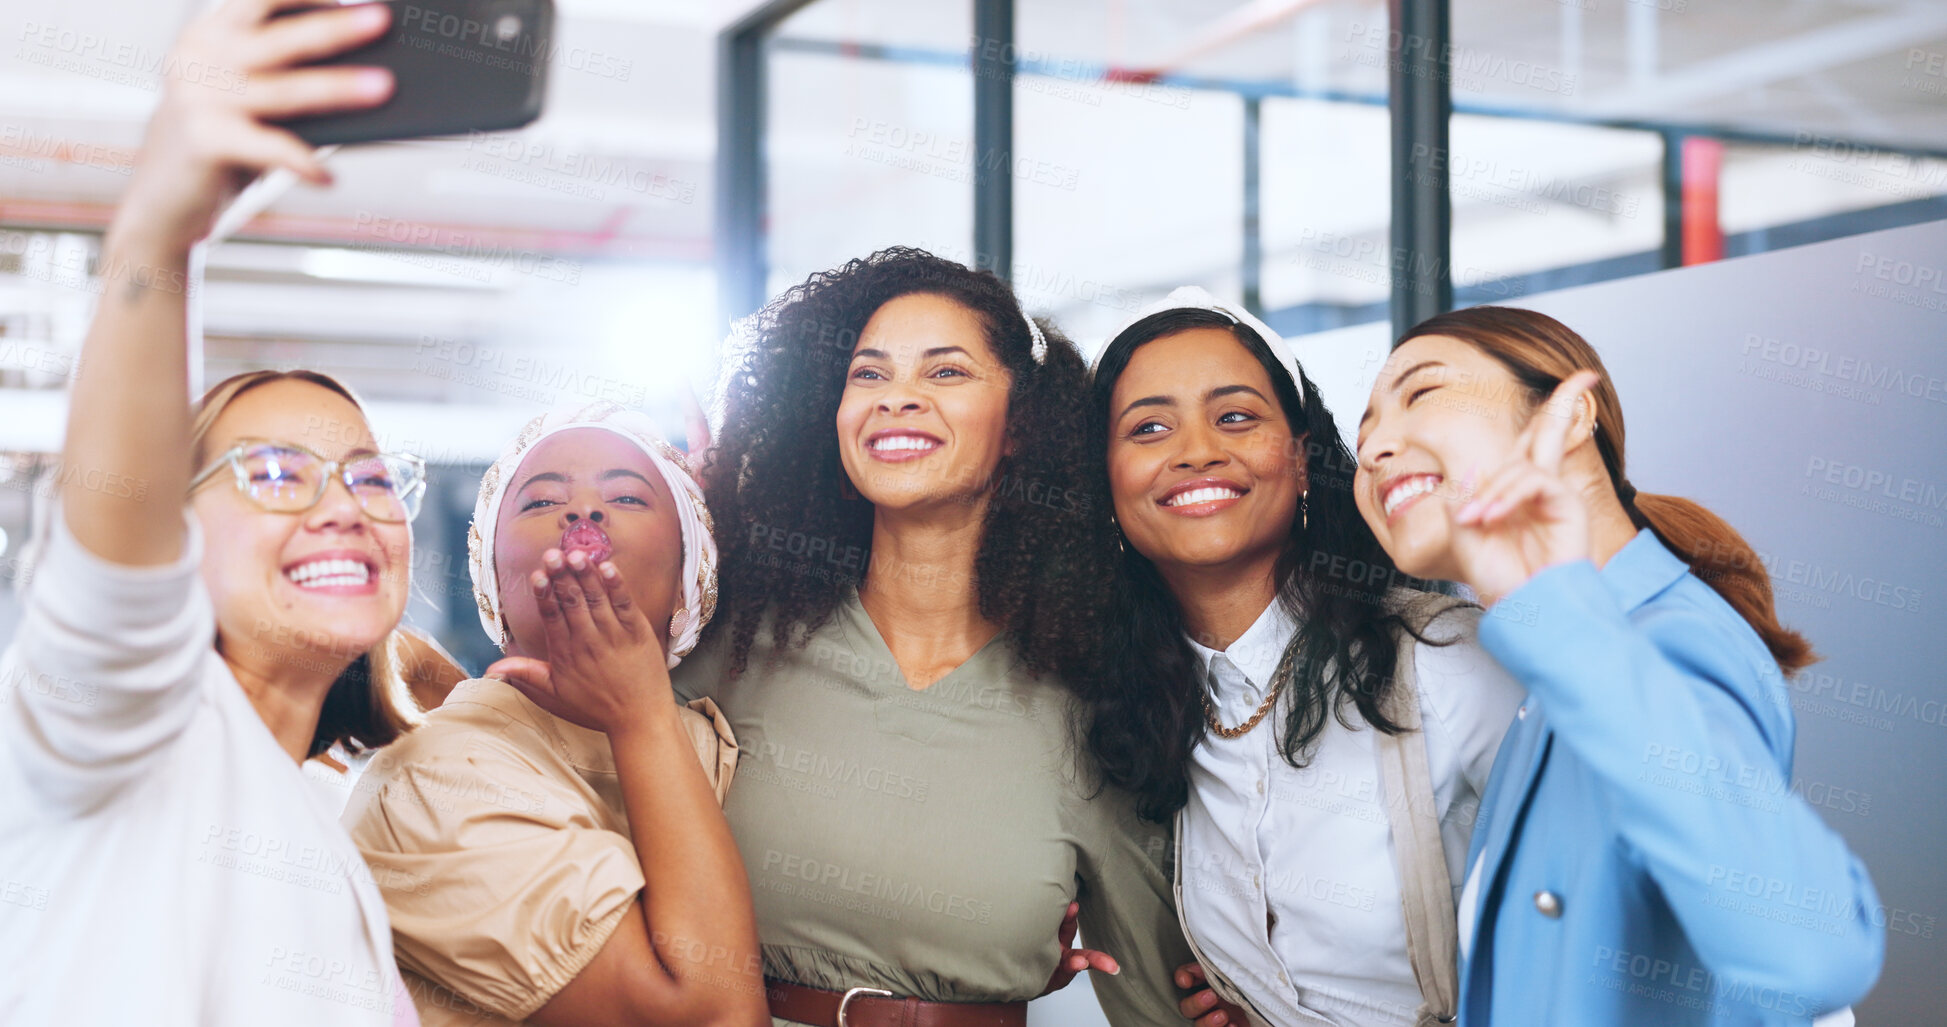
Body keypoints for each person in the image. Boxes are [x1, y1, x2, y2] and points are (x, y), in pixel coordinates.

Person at [0, 2, 425, 1023]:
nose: (343, 508)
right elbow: (113, 561)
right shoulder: (129, 725)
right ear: (176, 532)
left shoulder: (321, 809)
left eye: (370, 476)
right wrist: (159, 233)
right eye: (275, 472)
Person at [675, 246, 1194, 1026]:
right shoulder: (729, 646)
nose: (897, 398)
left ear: (1020, 424)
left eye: (944, 372)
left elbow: (1163, 995)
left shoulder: (1094, 696)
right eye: (868, 374)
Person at [1351, 306, 1884, 1024]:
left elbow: (1808, 952)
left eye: (1421, 392)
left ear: (1572, 417)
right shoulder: (1548, 673)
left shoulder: (1661, 641)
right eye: (1364, 429)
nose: (1376, 445)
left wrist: (1558, 617)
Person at [1083, 289, 1523, 1027]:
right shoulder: (1135, 700)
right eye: (1149, 427)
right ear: (1106, 486)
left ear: (1301, 460)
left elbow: (1604, 927)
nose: (1194, 450)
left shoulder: (1446, 662)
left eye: (1234, 416)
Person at [344, 404, 769, 1027]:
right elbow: (712, 1016)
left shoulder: (709, 737)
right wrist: (641, 715)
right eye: (541, 502)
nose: (583, 513)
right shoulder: (432, 780)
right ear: (492, 578)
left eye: (627, 496)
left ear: (688, 580)